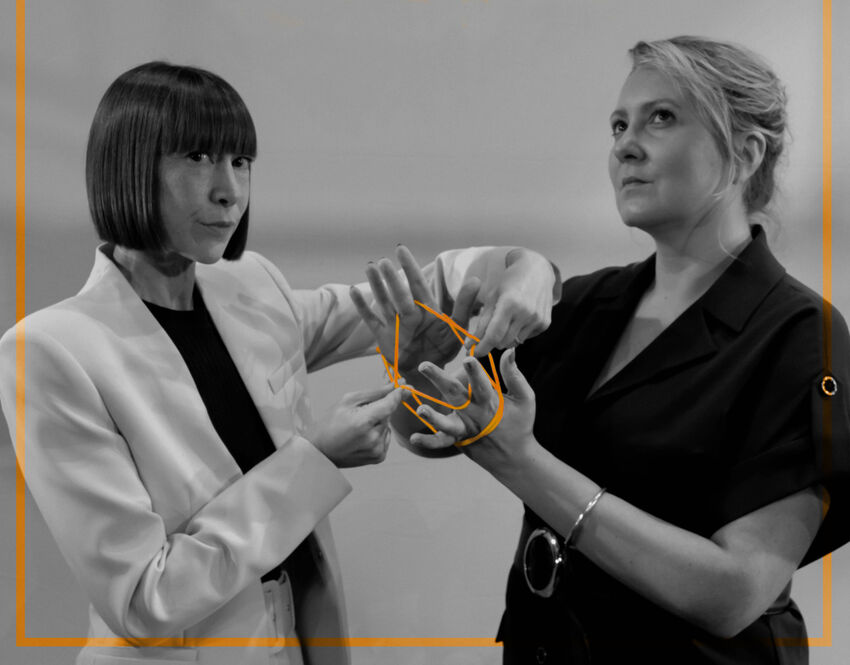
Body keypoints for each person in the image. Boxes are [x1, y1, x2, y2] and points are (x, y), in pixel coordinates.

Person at [0, 61, 560, 665]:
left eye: (240, 162)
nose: (229, 190)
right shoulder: (53, 350)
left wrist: (527, 267)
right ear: (128, 166)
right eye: (197, 157)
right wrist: (313, 461)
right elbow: (143, 598)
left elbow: (424, 292)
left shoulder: (253, 286)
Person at [357, 36, 850, 663]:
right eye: (619, 124)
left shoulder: (798, 333)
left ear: (746, 153)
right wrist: (417, 375)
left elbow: (734, 594)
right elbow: (439, 429)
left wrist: (521, 463)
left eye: (661, 118)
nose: (625, 144)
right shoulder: (586, 306)